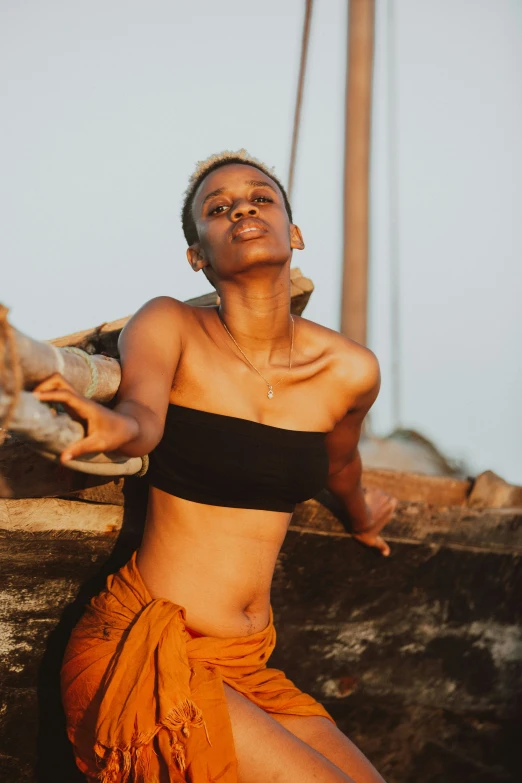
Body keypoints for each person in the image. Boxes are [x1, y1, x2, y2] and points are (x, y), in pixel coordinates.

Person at [33, 149, 397, 783]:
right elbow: (141, 417)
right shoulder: (170, 323)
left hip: (248, 662)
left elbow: (341, 468)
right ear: (198, 254)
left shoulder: (349, 369)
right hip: (145, 648)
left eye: (261, 199)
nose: (243, 210)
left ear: (295, 232)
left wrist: (363, 517)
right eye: (219, 208)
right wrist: (107, 427)